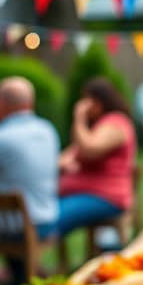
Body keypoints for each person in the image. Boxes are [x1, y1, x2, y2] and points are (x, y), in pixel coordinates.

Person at [0, 76, 59, 239]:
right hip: (47, 219)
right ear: (30, 103)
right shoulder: (48, 130)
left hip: (11, 225)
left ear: (0, 104)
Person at [58, 77, 136, 235]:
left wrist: (79, 118)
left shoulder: (116, 123)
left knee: (53, 218)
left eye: (87, 100)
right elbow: (68, 155)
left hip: (105, 197)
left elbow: (89, 149)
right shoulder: (97, 127)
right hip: (83, 194)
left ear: (99, 101)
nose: (83, 106)